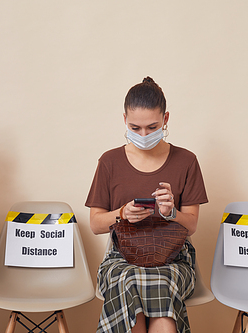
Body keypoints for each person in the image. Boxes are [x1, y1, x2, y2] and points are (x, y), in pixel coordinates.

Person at [86, 77, 208, 333]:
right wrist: (121, 214)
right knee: (128, 282)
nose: (143, 135)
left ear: (165, 119)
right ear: (124, 120)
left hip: (174, 259)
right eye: (136, 127)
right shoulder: (110, 161)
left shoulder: (186, 161)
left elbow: (193, 225)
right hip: (122, 257)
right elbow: (96, 225)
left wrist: (172, 213)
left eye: (152, 127)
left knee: (161, 289)